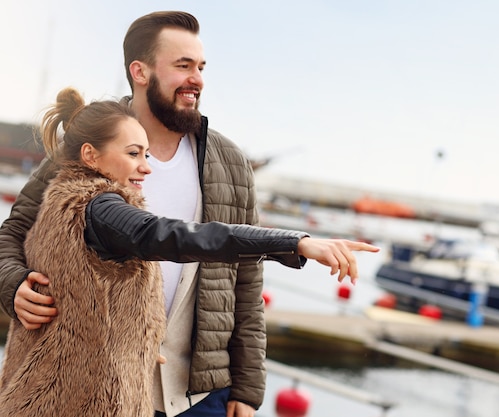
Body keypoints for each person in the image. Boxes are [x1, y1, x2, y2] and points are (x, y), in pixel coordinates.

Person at [0, 11, 378, 417]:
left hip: (201, 393)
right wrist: (13, 282)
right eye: (182, 66)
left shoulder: (230, 162)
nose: (196, 78)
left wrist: (247, 388)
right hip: (96, 384)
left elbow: (247, 282)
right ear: (140, 71)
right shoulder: (89, 145)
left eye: (200, 66)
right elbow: (14, 231)